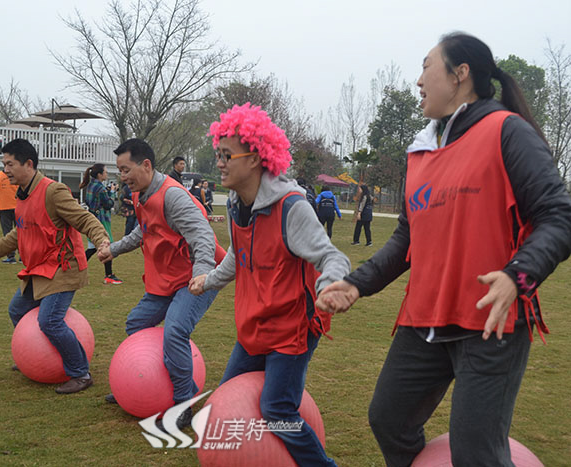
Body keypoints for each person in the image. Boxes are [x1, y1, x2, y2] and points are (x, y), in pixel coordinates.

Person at [319, 33, 571, 466]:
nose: (418, 81)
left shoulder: (507, 131)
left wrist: (517, 276)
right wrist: (356, 284)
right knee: (388, 420)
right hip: (425, 321)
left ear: (460, 75)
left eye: (426, 67)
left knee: (476, 451)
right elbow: (405, 239)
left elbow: (559, 214)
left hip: (491, 323)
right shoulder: (420, 152)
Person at [189, 103, 351, 467]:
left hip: (292, 328)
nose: (219, 163)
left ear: (256, 157)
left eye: (226, 155)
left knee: (277, 409)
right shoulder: (235, 204)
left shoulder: (291, 207)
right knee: (228, 395)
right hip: (253, 325)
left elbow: (332, 257)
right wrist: (209, 281)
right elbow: (237, 255)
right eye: (218, 154)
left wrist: (331, 285)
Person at [98, 138, 224, 429]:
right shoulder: (141, 193)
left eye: (126, 169)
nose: (123, 176)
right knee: (136, 324)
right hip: (167, 279)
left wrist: (203, 276)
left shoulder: (173, 196)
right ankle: (134, 384)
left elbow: (203, 236)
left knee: (176, 331)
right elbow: (143, 231)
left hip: (196, 277)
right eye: (119, 171)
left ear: (146, 165)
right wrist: (113, 249)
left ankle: (184, 402)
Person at [0, 139, 109, 394]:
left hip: (63, 268)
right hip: (38, 269)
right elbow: (20, 233)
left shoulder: (53, 191)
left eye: (10, 164)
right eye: (4, 164)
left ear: (28, 164)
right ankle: (34, 356)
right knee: (17, 310)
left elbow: (84, 218)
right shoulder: (22, 195)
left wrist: (101, 239)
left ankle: (80, 373)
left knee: (49, 321)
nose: (6, 170)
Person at [80, 163, 122, 285]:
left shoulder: (90, 185)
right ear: (99, 174)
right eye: (105, 172)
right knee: (106, 245)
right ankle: (108, 275)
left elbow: (93, 201)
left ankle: (75, 269)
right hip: (102, 220)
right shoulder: (100, 188)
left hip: (92, 219)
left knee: (92, 248)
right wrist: (113, 192)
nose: (106, 174)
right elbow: (108, 204)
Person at [0, 169, 20, 264]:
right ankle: (23, 256)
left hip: (5, 207)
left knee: (7, 233)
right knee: (21, 232)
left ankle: (11, 257)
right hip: (18, 207)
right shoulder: (18, 174)